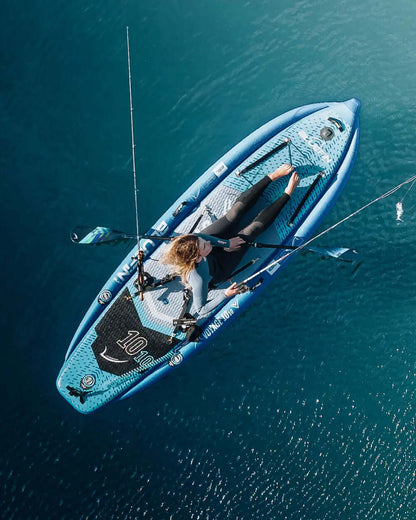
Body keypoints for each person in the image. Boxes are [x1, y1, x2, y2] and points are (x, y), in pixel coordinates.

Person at [162, 164, 300, 317]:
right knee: (249, 232)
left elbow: (205, 239)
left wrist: (227, 243)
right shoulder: (198, 279)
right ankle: (288, 193)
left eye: (201, 240)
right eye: (204, 246)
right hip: (219, 268)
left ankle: (272, 176)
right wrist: (226, 294)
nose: (206, 242)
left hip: (208, 252)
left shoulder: (193, 240)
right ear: (198, 257)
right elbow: (201, 310)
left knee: (234, 213)